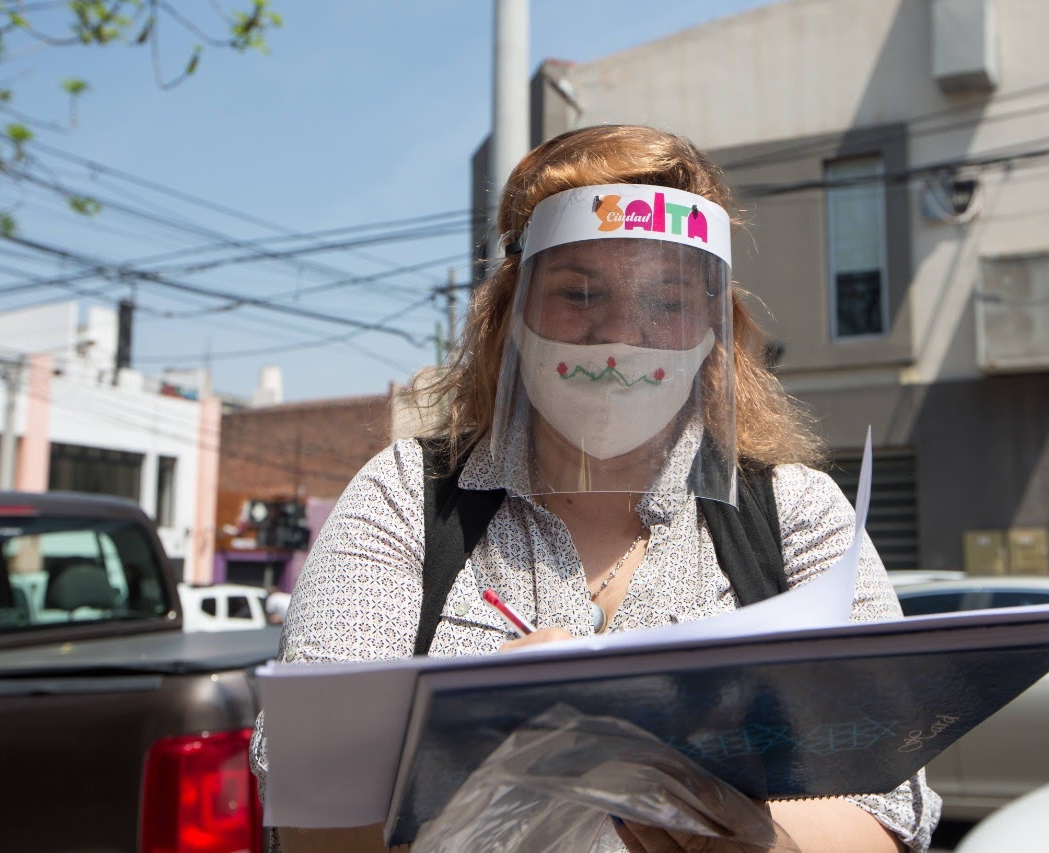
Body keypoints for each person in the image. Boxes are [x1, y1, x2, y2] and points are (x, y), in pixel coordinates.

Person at [251, 124, 940, 852]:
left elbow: (888, 808)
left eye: (669, 300)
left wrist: (757, 839)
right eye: (579, 292)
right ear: (512, 314)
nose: (621, 335)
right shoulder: (406, 497)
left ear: (715, 324)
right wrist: (479, 740)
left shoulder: (795, 513)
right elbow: (312, 814)